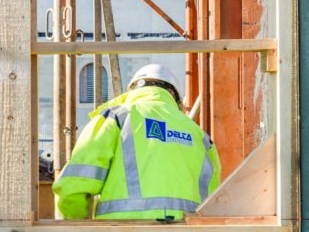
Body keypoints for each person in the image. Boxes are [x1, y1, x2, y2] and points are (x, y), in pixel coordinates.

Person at [53, 63, 221, 220]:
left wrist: (76, 230)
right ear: (175, 98)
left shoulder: (116, 117)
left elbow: (74, 187)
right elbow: (214, 202)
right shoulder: (200, 136)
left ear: (132, 90)